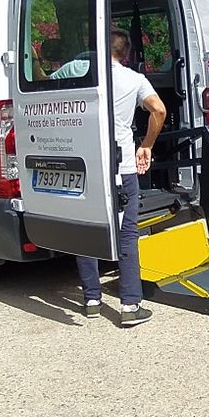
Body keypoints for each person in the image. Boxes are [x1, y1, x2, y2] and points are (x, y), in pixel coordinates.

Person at [76, 30, 168, 326]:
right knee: (127, 232)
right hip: (123, 165)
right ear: (126, 54)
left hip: (85, 163)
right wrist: (147, 145)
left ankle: (91, 298)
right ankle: (130, 306)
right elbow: (159, 110)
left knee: (85, 230)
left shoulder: (79, 69)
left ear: (99, 49)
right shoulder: (135, 79)